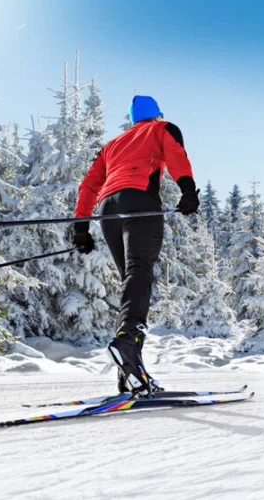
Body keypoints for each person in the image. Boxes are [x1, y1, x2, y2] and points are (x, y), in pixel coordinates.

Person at [73, 95, 200, 396]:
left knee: (132, 282)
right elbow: (176, 156)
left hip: (108, 209)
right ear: (156, 115)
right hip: (140, 201)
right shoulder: (162, 129)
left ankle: (130, 373)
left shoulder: (112, 145)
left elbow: (89, 184)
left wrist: (81, 228)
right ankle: (128, 342)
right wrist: (187, 191)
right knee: (139, 273)